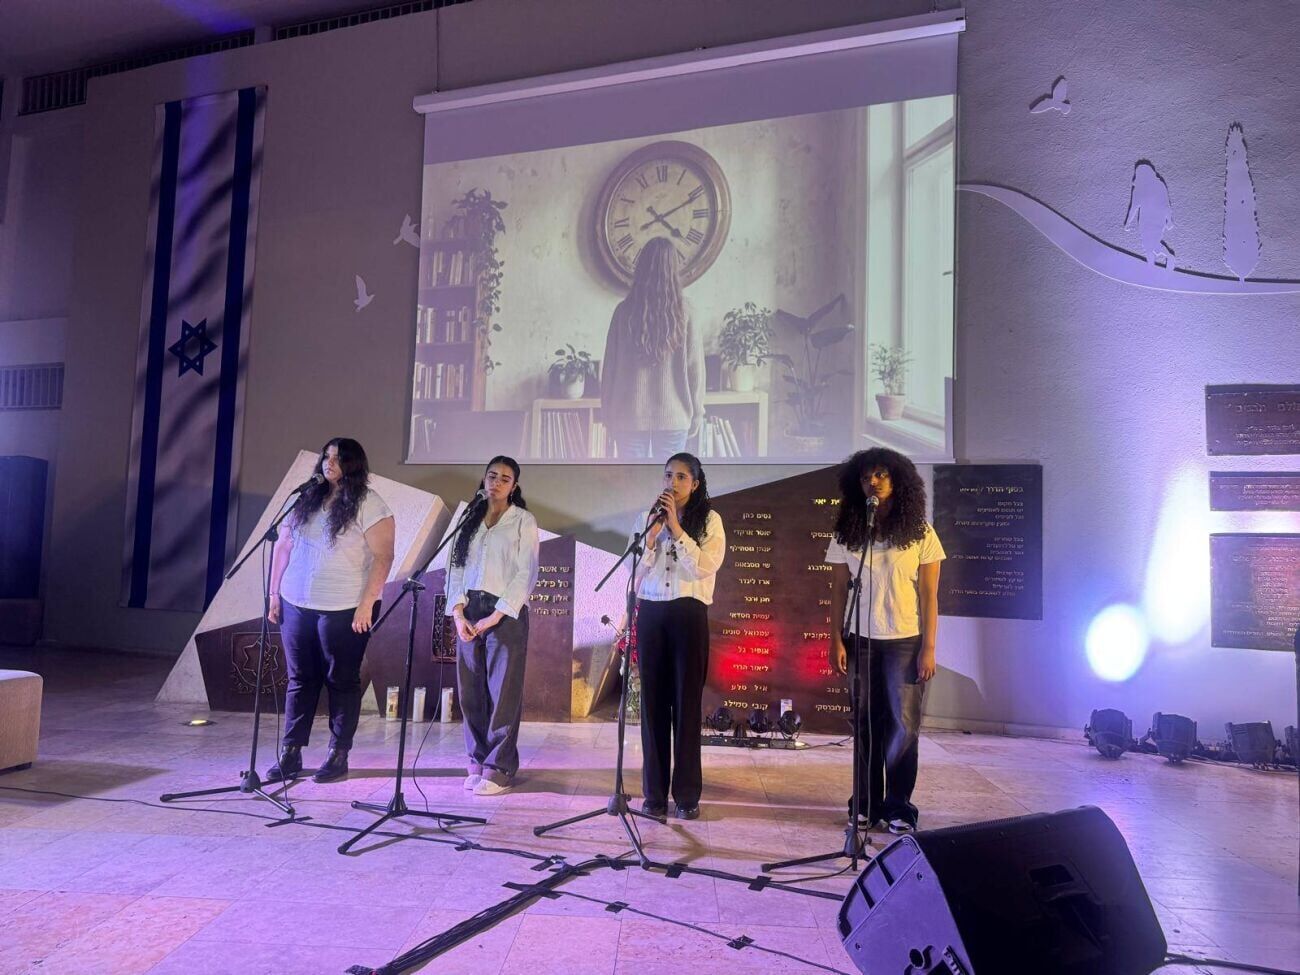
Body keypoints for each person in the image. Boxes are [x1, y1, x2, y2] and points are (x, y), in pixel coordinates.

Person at [826, 448, 944, 834]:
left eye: (880, 475)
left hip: (905, 641)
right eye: (865, 477)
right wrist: (835, 639)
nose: (872, 482)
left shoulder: (921, 532)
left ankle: (898, 807)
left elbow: (929, 595)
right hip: (860, 639)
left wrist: (929, 647)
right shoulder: (849, 531)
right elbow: (838, 590)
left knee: (903, 727)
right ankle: (865, 803)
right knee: (864, 724)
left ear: (898, 481)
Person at [266, 438, 395, 784]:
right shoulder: (306, 497)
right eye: (326, 456)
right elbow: (283, 546)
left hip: (345, 606)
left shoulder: (369, 503)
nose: (329, 463)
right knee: (299, 678)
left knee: (341, 680)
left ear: (353, 464)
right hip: (296, 602)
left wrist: (367, 603)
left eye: (337, 458)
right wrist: (274, 593)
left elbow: (383, 557)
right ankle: (291, 751)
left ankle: (338, 753)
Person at [632, 452, 725, 820]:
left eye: (681, 476)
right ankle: (654, 794)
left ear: (695, 484)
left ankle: (686, 794)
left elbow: (704, 567)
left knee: (686, 706)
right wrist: (651, 539)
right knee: (653, 706)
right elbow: (634, 574)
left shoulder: (710, 521)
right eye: (668, 475)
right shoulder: (647, 518)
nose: (672, 482)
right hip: (652, 613)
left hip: (689, 614)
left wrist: (677, 530)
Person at [446, 456, 540, 796]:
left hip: (505, 613)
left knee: (503, 693)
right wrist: (459, 614)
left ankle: (499, 766)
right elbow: (454, 568)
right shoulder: (468, 517)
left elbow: (526, 572)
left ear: (514, 486)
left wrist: (496, 616)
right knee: (471, 692)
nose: (496, 483)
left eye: (504, 478)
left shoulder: (522, 520)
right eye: (491, 476)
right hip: (469, 607)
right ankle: (477, 758)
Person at [600, 236, 704, 460]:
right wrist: (697, 413)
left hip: (628, 416)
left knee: (633, 481)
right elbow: (695, 370)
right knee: (669, 482)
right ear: (673, 270)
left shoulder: (623, 312)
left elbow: (609, 368)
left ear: (641, 268)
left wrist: (607, 411)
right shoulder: (687, 313)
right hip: (674, 417)